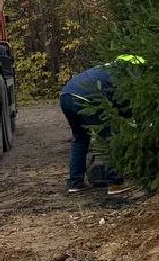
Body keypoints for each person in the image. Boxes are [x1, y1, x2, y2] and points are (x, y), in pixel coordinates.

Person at [59, 55, 141, 195]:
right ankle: (115, 183)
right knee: (109, 137)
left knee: (80, 139)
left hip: (65, 96)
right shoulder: (123, 74)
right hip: (86, 98)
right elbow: (121, 101)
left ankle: (75, 183)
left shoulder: (104, 69)